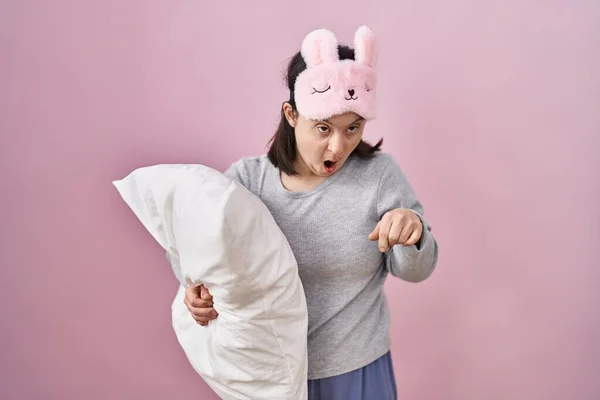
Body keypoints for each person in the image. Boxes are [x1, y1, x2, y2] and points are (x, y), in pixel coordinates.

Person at [180, 26, 438, 400]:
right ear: (291, 114)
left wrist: (412, 232)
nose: (339, 144)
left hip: (356, 372)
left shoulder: (379, 175)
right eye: (323, 128)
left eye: (353, 127)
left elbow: (417, 270)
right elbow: (197, 253)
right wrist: (194, 291)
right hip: (270, 375)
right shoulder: (247, 180)